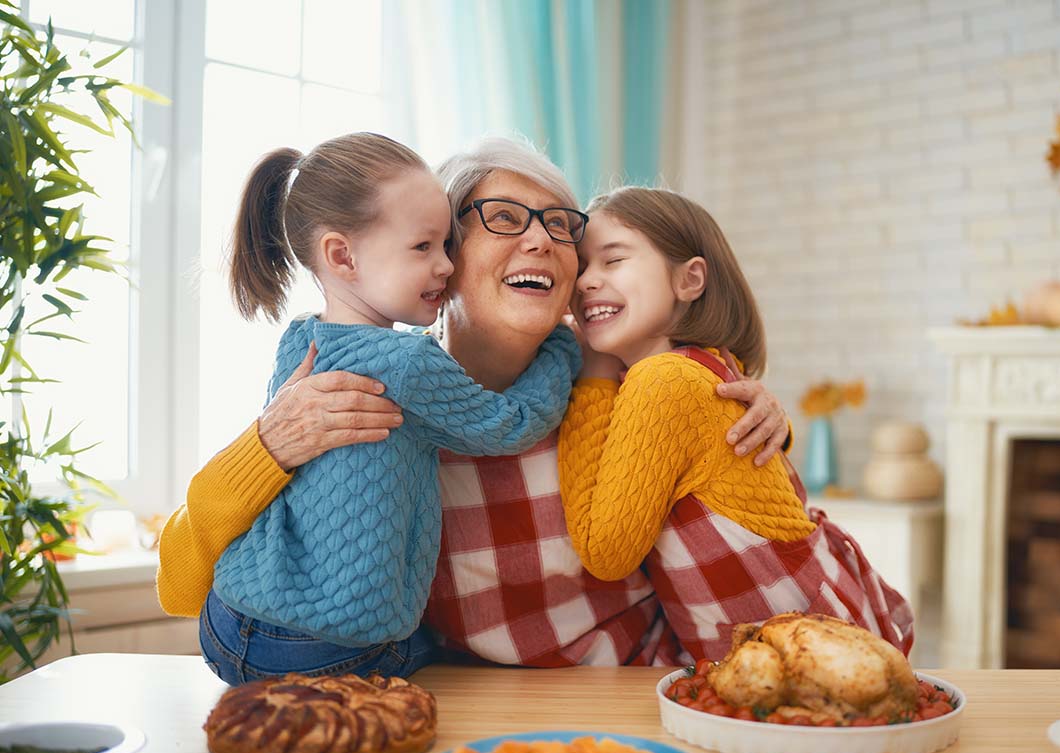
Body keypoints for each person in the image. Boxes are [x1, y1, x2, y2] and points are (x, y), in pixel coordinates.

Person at [157, 137, 903, 673]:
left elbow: (749, 527)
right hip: (466, 721)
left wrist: (761, 409)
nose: (543, 240)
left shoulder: (612, 392)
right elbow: (181, 580)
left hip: (635, 710)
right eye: (505, 218)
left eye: (561, 224)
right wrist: (268, 447)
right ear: (440, 257)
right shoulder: (365, 399)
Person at [196, 132, 580, 685]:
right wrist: (563, 350)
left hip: (227, 621)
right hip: (326, 652)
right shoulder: (408, 364)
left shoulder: (300, 340)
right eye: (424, 248)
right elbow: (511, 425)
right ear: (342, 255)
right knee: (436, 660)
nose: (444, 265)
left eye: (446, 246)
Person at [560, 187, 913, 660]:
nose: (586, 281)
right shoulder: (709, 365)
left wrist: (592, 374)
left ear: (690, 280)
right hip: (831, 629)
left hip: (805, 657)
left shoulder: (662, 380)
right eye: (581, 266)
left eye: (613, 260)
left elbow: (606, 553)